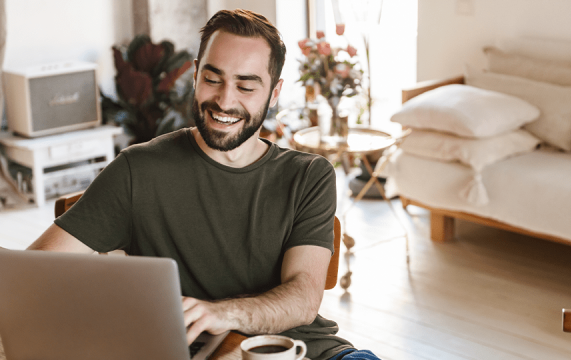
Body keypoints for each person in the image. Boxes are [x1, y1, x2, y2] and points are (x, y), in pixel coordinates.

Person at [28, 9, 380, 360]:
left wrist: (221, 313)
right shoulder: (138, 170)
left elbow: (303, 299)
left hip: (307, 352)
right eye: (213, 79)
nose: (225, 101)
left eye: (245, 86)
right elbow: (33, 274)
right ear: (196, 75)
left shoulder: (309, 175)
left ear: (274, 93)